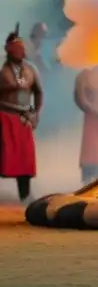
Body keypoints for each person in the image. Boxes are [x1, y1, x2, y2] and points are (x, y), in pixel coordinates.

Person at [0, 25, 43, 202]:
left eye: (21, 49)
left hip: (24, 119)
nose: (20, 52)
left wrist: (36, 113)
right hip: (4, 117)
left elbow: (38, 92)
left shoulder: (31, 70)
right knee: (3, 155)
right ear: (9, 50)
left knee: (24, 159)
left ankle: (25, 195)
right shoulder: (2, 70)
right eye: (16, 49)